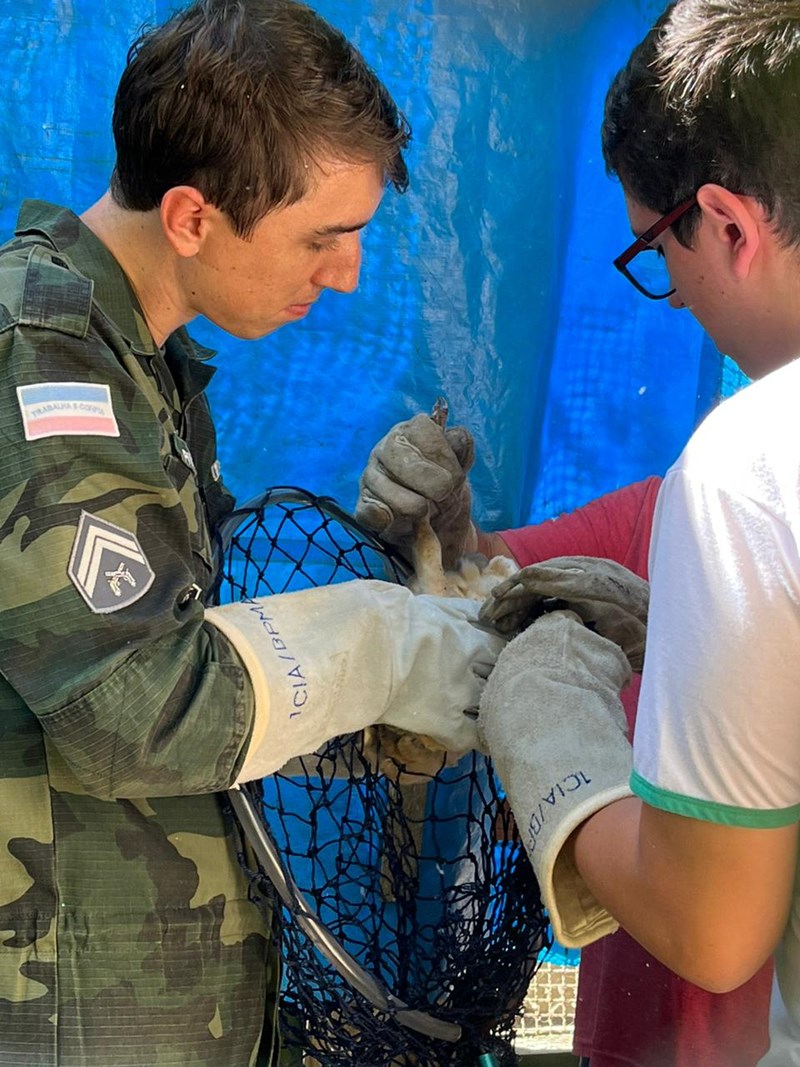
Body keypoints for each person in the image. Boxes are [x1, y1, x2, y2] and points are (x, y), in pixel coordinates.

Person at [0, 2, 504, 1064]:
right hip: (75, 1014)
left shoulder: (142, 362)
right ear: (191, 216)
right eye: (322, 237)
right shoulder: (43, 361)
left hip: (178, 999)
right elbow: (134, 706)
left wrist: (374, 553)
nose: (346, 273)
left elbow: (193, 623)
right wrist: (379, 642)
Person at [479, 1, 800, 1063]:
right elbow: (484, 565)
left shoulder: (751, 464)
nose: (675, 300)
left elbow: (710, 925)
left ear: (725, 222)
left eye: (656, 253)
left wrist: (558, 749)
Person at [356, 434, 773, 1065]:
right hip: (624, 1028)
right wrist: (448, 530)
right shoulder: (673, 513)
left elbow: (711, 931)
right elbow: (498, 580)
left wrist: (549, 725)